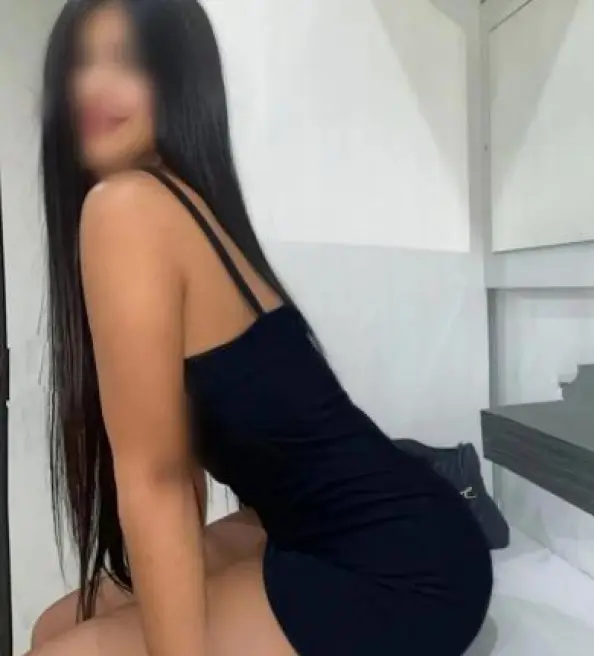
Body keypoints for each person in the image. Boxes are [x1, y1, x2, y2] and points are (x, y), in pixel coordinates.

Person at [27, 0, 493, 654]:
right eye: (78, 63)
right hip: (335, 525)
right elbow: (176, 476)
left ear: (178, 77)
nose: (90, 86)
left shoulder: (127, 207)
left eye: (127, 60)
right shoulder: (179, 204)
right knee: (53, 628)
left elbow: (158, 483)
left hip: (403, 568)